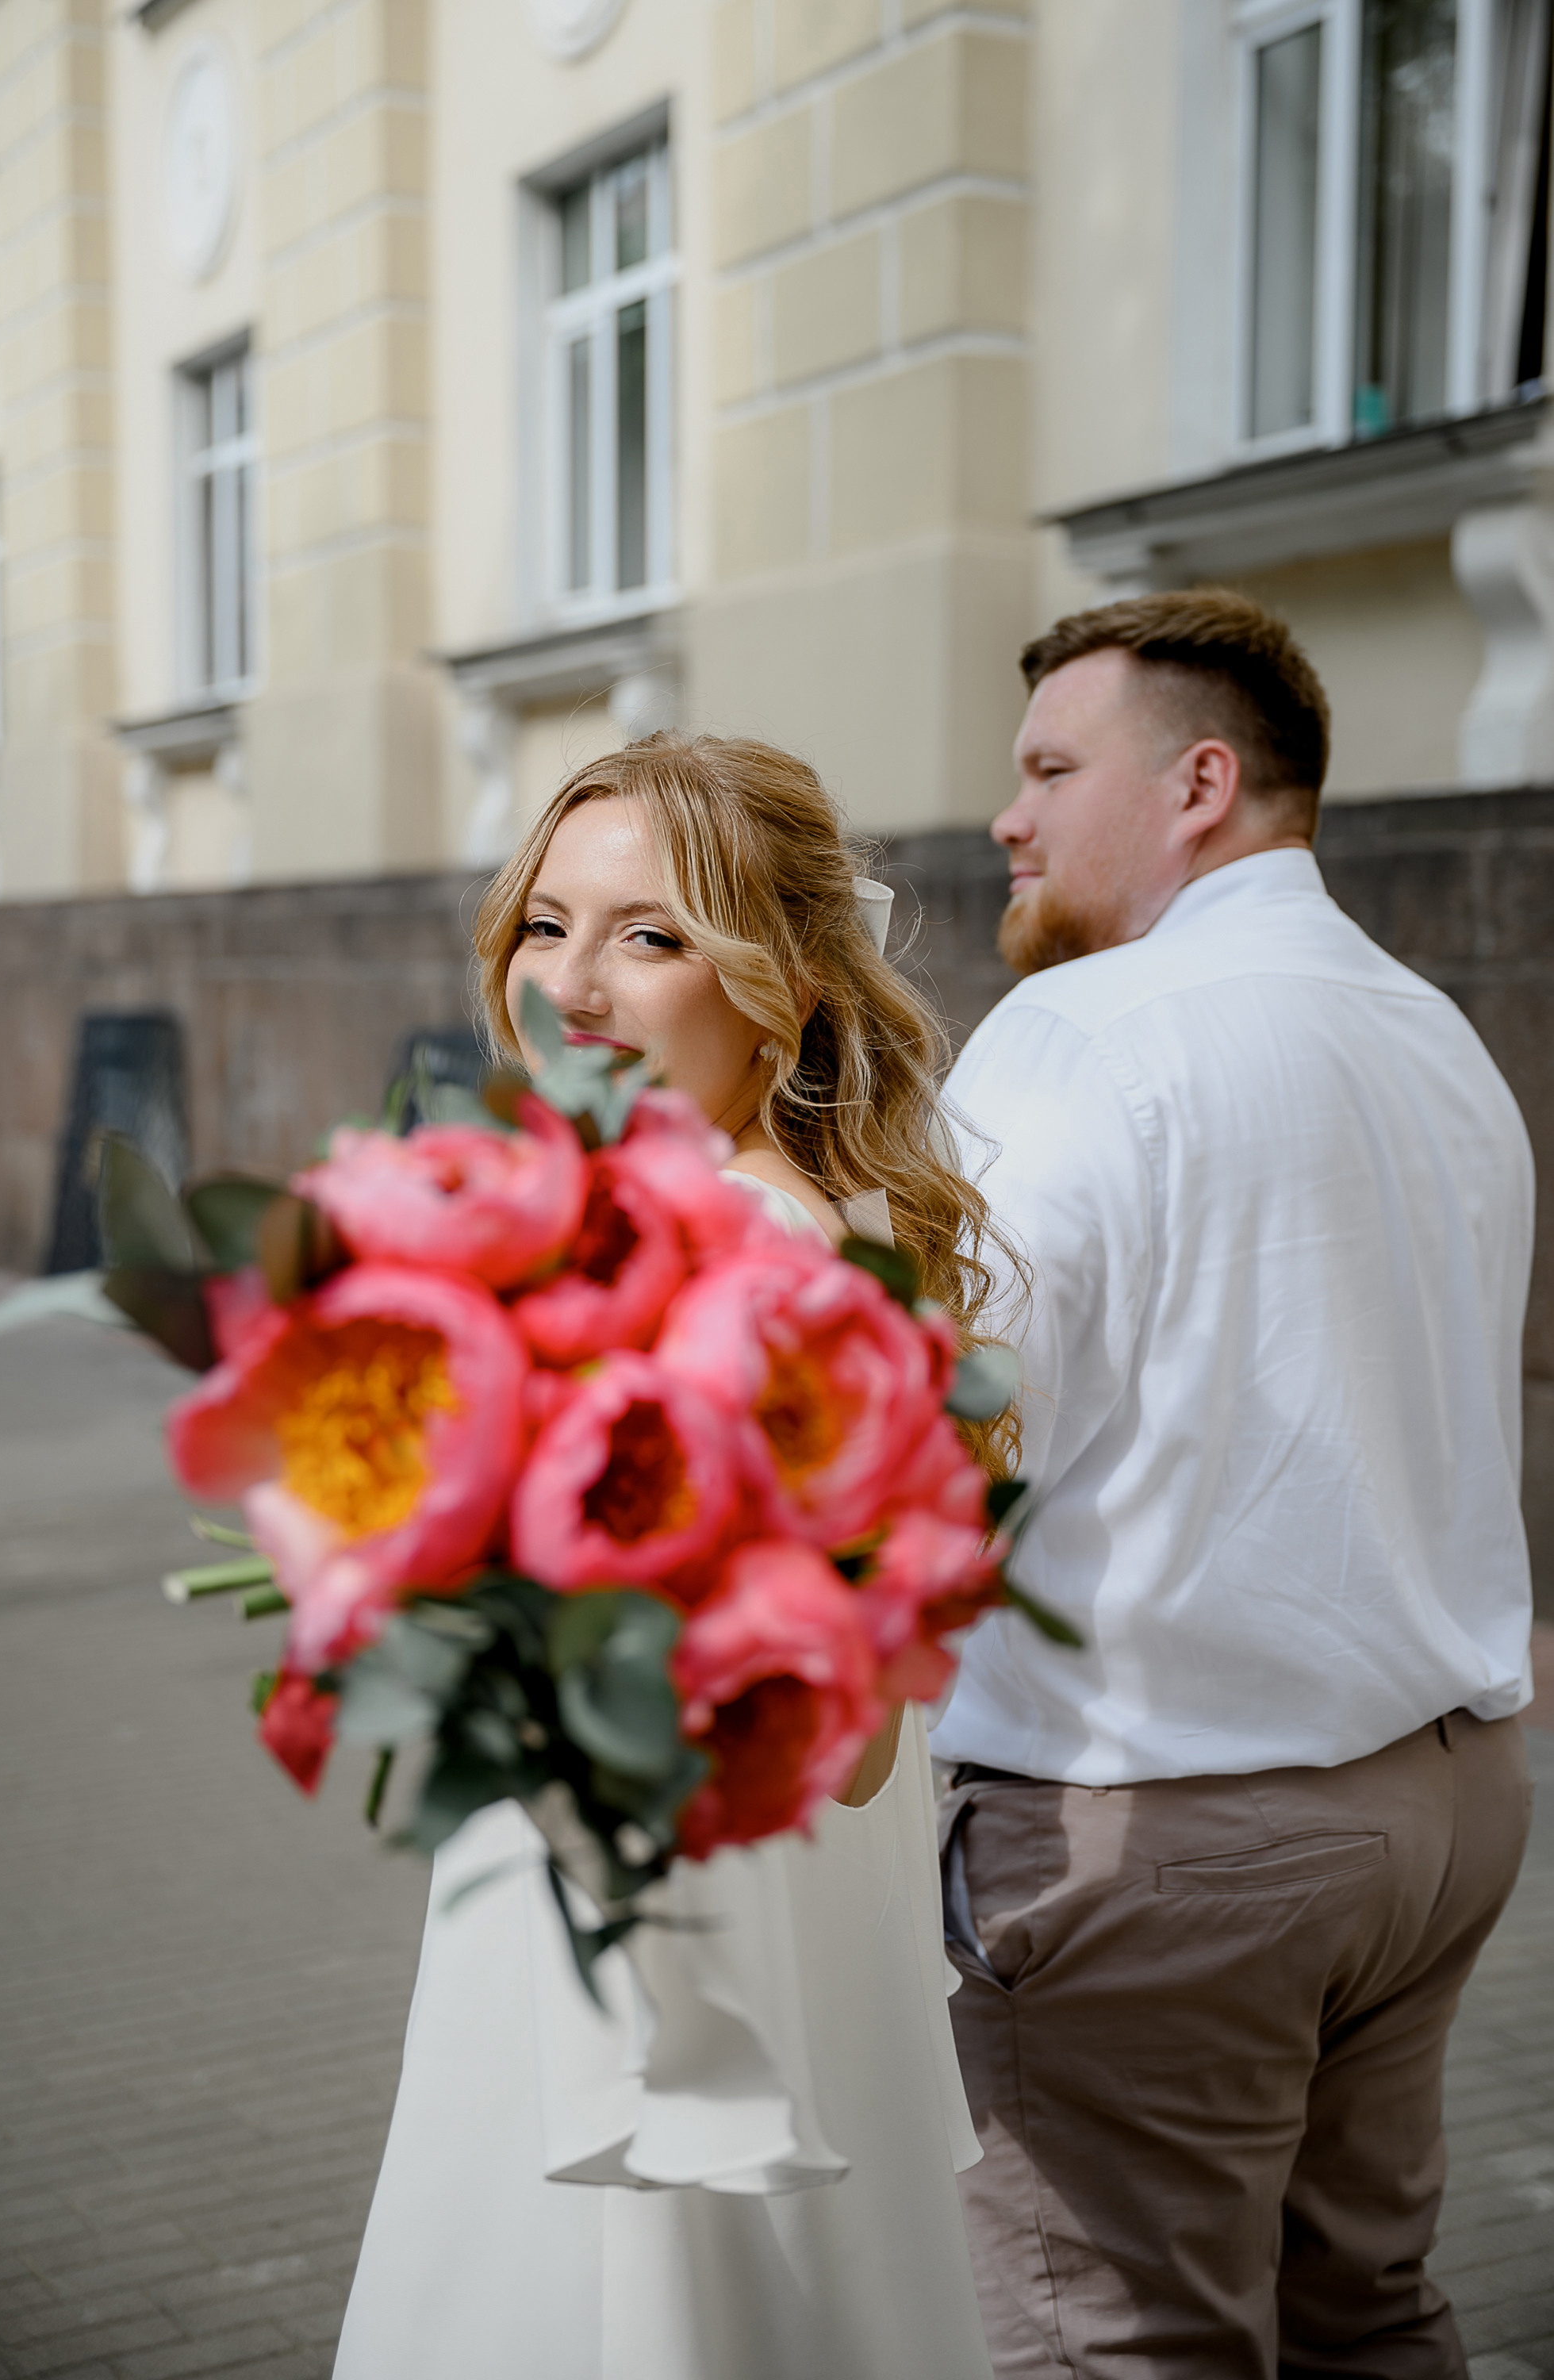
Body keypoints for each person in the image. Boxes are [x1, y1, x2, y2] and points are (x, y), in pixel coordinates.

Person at [335, 734, 1004, 2380]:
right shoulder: (771, 1219)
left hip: (666, 1956)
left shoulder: (740, 1255)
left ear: (781, 987)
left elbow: (846, 1743)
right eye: (545, 923)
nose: (572, 986)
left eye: (651, 935)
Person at [930, 589, 1537, 2380]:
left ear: (1200, 784)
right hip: (1441, 1812)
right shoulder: (1436, 1033)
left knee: (1130, 2344)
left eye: (1050, 770)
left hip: (1167, 1835)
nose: (1007, 818)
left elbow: (955, 1435)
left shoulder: (1077, 1030)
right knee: (1368, 2314)